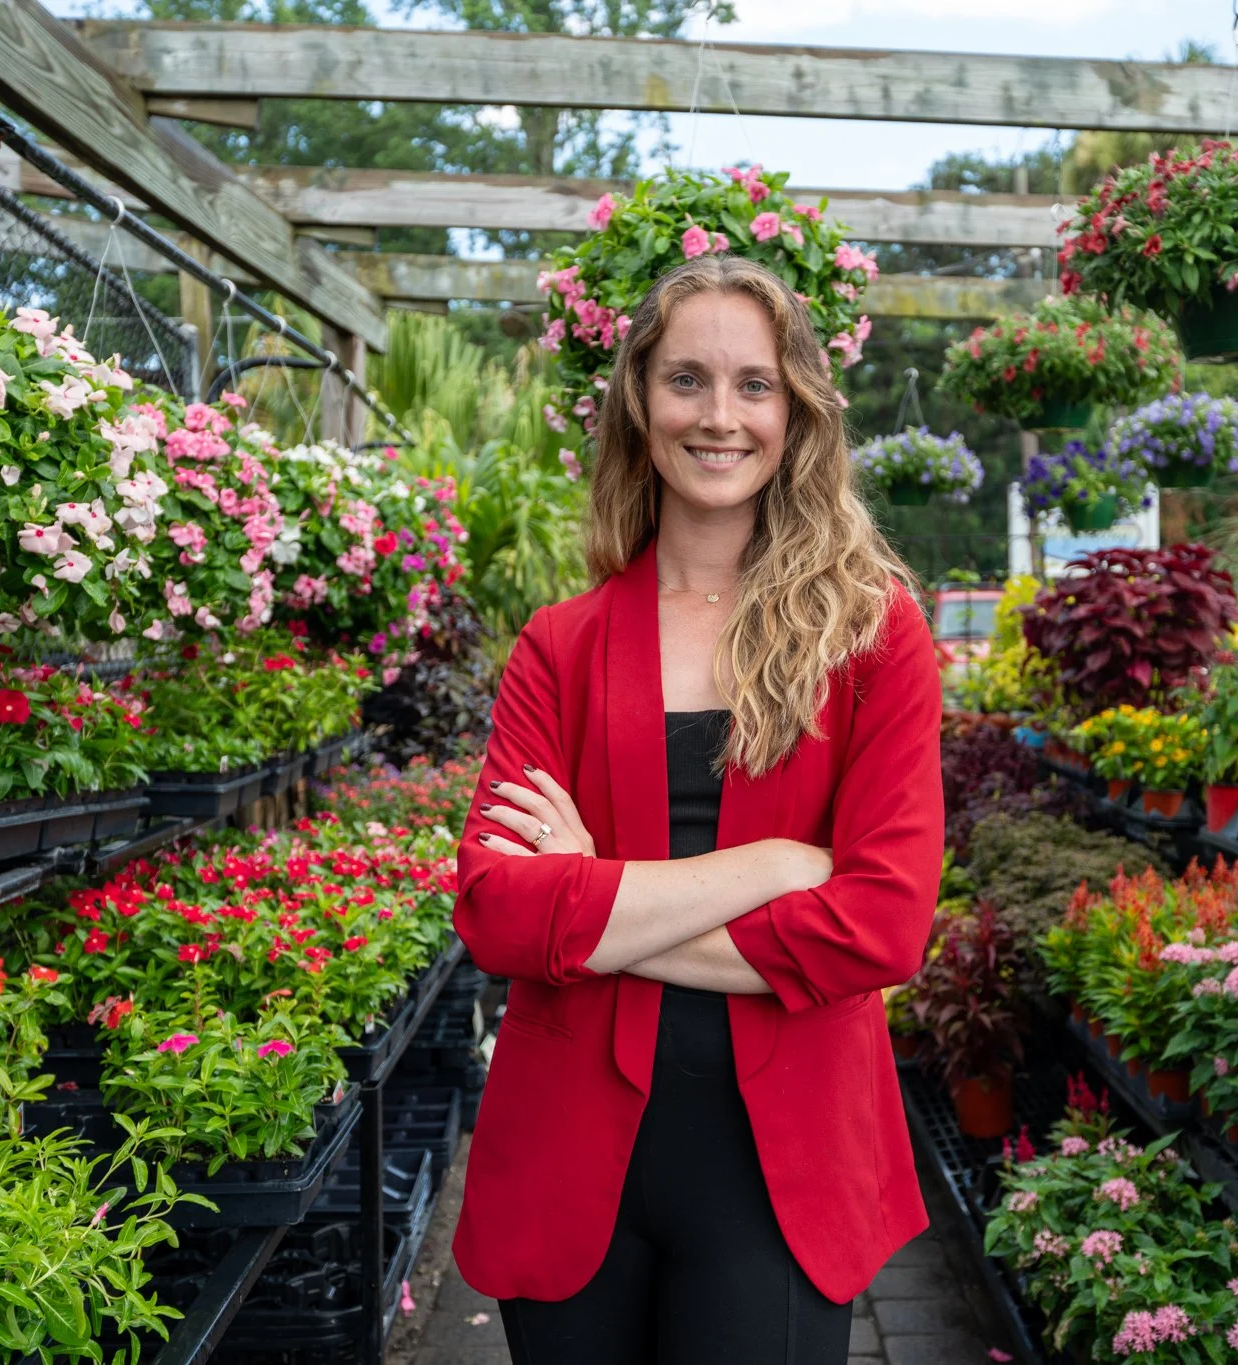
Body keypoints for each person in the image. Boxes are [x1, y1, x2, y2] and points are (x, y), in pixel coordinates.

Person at [451, 253, 943, 1365]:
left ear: (796, 410)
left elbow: (880, 924)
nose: (718, 416)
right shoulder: (559, 647)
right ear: (638, 400)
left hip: (783, 1169)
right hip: (571, 1150)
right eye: (686, 380)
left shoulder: (870, 637)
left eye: (752, 385)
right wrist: (774, 863)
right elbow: (498, 917)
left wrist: (596, 901)